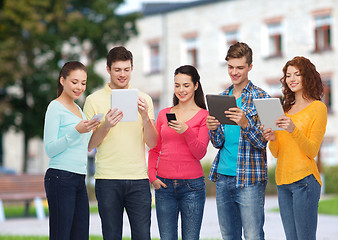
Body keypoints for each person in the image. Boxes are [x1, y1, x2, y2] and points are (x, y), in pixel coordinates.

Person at [83, 46, 158, 240]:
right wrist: (106, 125)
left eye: (126, 69)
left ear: (132, 68)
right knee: (111, 236)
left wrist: (145, 116)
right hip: (107, 179)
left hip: (138, 180)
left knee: (143, 236)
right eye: (117, 70)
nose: (122, 74)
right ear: (108, 70)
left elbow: (152, 142)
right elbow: (88, 145)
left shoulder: (145, 100)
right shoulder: (93, 100)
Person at [206, 42, 270, 240]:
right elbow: (218, 143)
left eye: (240, 67)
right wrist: (213, 129)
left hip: (250, 179)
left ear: (250, 67)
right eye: (231, 67)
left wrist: (245, 124)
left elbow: (263, 142)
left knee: (253, 236)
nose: (234, 72)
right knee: (228, 236)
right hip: (223, 177)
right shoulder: (222, 98)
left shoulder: (263, 98)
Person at [262, 56, 327, 240]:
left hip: (304, 182)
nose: (292, 79)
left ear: (307, 76)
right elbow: (277, 153)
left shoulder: (318, 108)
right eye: (288, 75)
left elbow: (312, 150)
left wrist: (292, 129)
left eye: (297, 74)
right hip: (283, 183)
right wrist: (272, 138)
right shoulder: (284, 109)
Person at [148, 65, 209, 240]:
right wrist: (152, 176)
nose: (181, 90)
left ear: (196, 86)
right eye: (177, 85)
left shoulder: (204, 115)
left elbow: (200, 153)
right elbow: (155, 148)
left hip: (192, 188)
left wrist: (186, 130)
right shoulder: (164, 114)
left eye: (186, 85)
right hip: (164, 187)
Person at [43, 61, 100, 240]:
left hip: (78, 178)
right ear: (62, 80)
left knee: (81, 235)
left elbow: (87, 146)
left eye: (83, 83)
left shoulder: (79, 111)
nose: (79, 87)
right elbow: (50, 149)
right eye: (75, 82)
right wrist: (76, 131)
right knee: (61, 235)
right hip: (60, 177)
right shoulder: (55, 107)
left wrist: (104, 127)